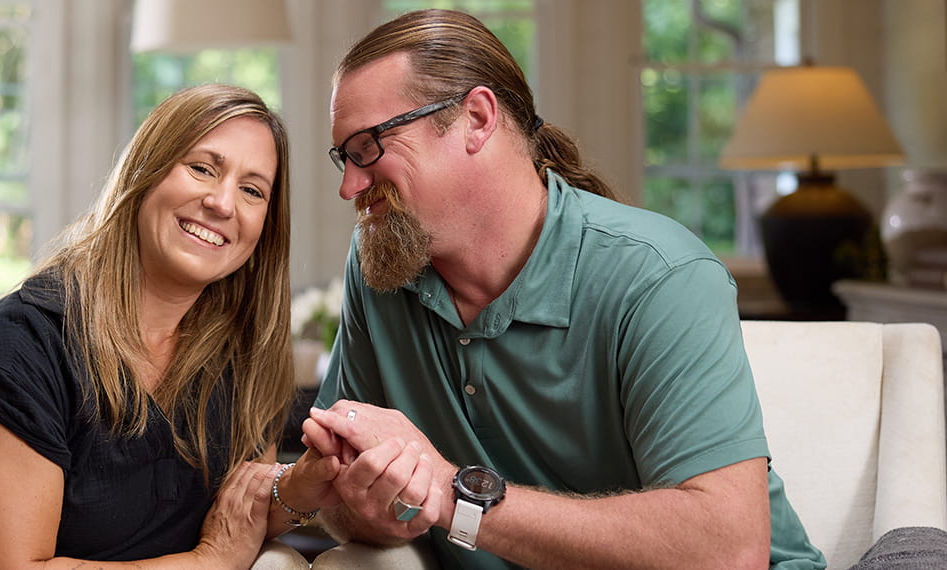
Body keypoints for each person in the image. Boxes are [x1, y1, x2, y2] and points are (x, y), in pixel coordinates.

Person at [302, 9, 827, 569]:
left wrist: (455, 496)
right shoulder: (382, 265)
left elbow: (729, 552)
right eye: (344, 157)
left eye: (368, 147)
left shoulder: (660, 276)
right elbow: (344, 505)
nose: (350, 186)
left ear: (476, 119)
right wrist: (373, 503)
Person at [0, 84, 339, 569]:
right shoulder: (24, 342)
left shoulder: (240, 358)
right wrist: (211, 563)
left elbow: (234, 515)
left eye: (252, 190)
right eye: (202, 168)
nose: (223, 203)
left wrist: (299, 486)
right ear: (146, 172)